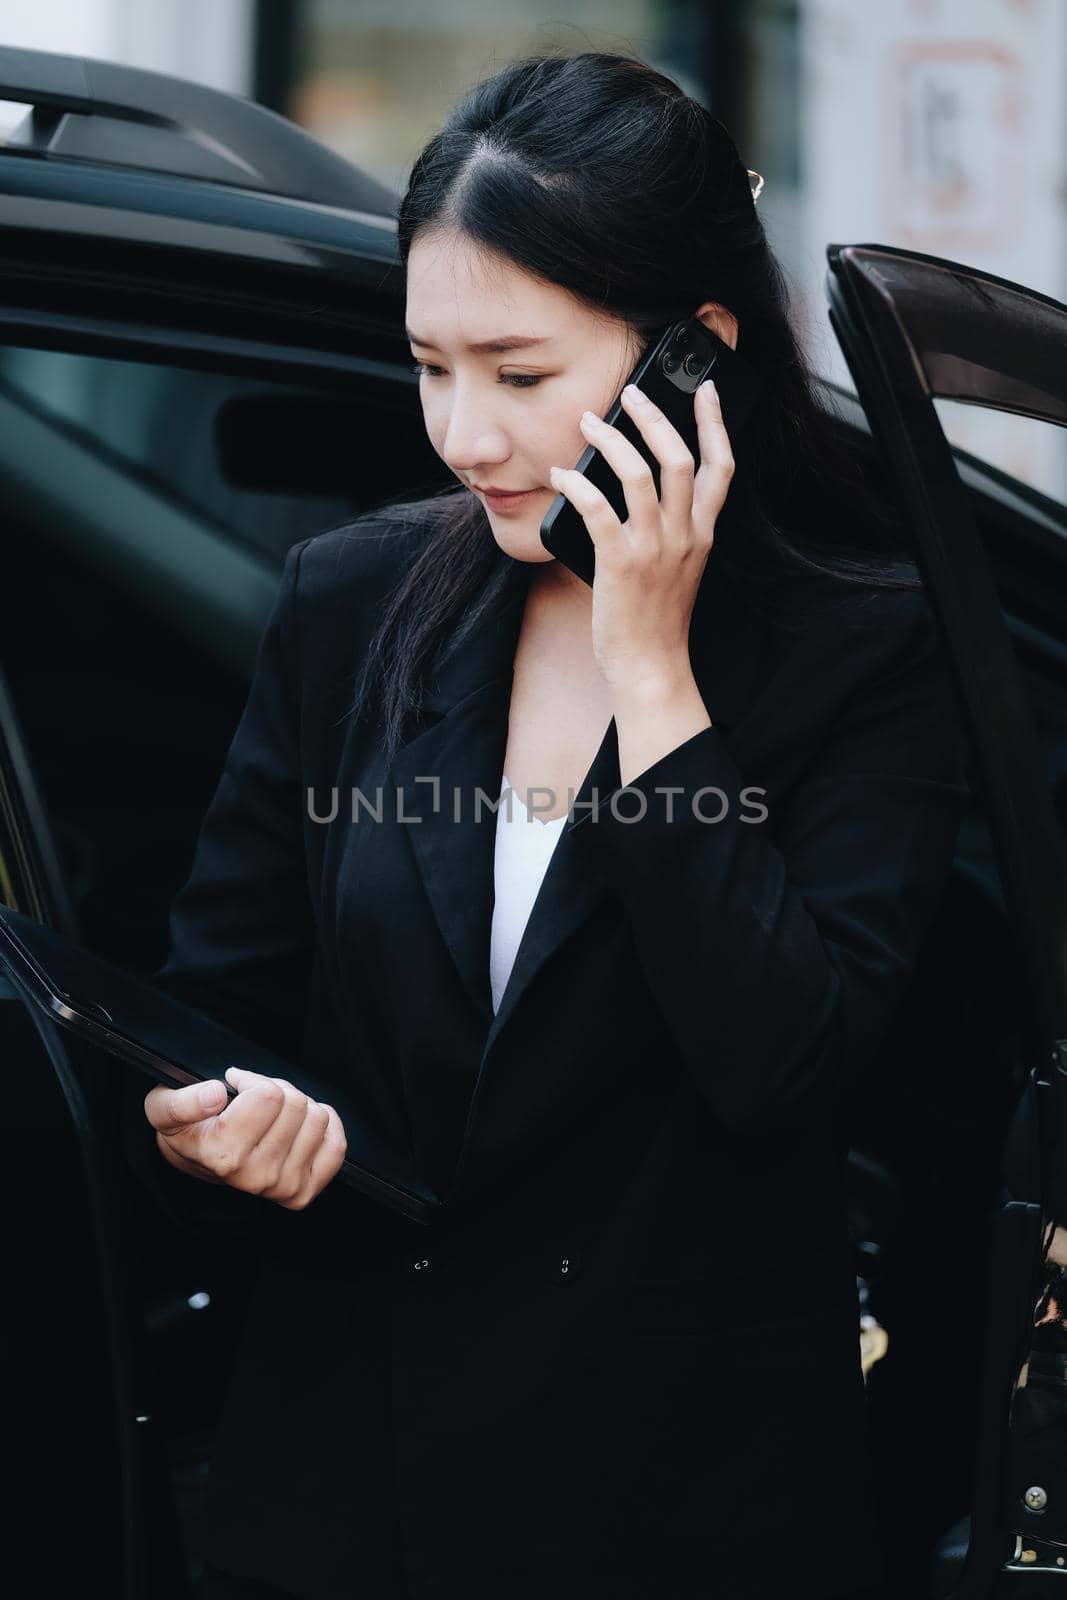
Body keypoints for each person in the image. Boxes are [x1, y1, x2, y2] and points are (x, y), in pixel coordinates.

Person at [122, 50, 972, 1600]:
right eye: (430, 367)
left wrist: (650, 667)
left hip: (679, 1500)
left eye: (518, 376)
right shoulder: (356, 599)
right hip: (347, 1487)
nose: (463, 435)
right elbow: (210, 1004)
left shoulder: (877, 652)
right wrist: (235, 1122)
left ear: (693, 357)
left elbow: (784, 1065)